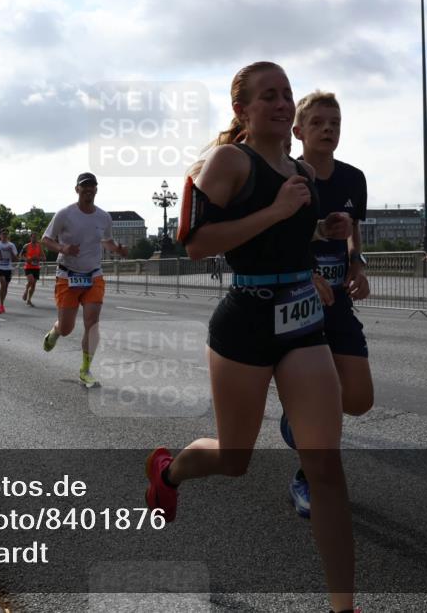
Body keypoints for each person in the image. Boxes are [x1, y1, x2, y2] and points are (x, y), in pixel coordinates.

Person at [144, 62, 354, 613]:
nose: (283, 105)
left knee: (326, 466)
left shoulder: (299, 170)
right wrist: (278, 210)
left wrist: (317, 246)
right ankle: (168, 471)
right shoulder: (229, 161)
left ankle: (343, 606)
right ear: (242, 109)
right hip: (245, 321)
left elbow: (289, 240)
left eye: (287, 94)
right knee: (236, 458)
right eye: (269, 96)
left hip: (302, 324)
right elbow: (193, 243)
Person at [278, 90, 371, 520]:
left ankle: (295, 418)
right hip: (297, 305)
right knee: (321, 403)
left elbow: (353, 229)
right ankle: (307, 475)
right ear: (298, 131)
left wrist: (356, 263)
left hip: (338, 303)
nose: (328, 128)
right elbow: (273, 240)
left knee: (358, 399)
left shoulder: (353, 178)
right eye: (318, 122)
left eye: (334, 121)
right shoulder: (288, 178)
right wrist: (305, 273)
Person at [41, 172, 129, 387]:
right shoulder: (65, 214)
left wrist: (116, 249)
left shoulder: (104, 217)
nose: (88, 189)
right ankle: (56, 331)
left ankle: (85, 370)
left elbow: (105, 241)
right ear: (77, 189)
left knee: (92, 325)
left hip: (93, 275)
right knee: (67, 327)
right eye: (84, 186)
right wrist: (63, 248)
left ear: (96, 189)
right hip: (68, 275)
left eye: (92, 186)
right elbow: (46, 239)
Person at [0, 229, 19, 314]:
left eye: (6, 234)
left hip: (8, 268)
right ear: (0, 235)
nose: (4, 236)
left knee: (5, 287)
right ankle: (1, 305)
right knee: (3, 283)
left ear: (8, 235)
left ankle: (2, 304)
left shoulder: (11, 245)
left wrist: (11, 252)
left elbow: (16, 259)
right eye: (3, 234)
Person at [20, 231, 46, 307]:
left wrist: (38, 258)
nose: (34, 238)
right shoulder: (26, 246)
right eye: (33, 237)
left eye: (36, 237)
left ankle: (29, 300)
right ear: (30, 238)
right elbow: (21, 256)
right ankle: (25, 292)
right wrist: (27, 259)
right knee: (31, 281)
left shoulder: (39, 246)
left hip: (36, 267)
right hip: (28, 267)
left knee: (33, 285)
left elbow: (44, 258)